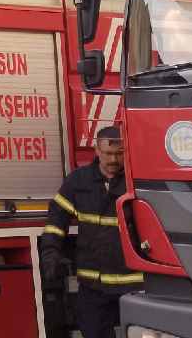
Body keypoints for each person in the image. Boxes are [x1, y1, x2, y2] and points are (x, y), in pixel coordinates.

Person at [40, 126, 142, 338]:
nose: (113, 159)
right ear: (96, 150)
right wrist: (50, 253)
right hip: (93, 285)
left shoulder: (137, 182)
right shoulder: (78, 181)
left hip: (133, 284)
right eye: (108, 153)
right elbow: (56, 219)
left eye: (119, 153)